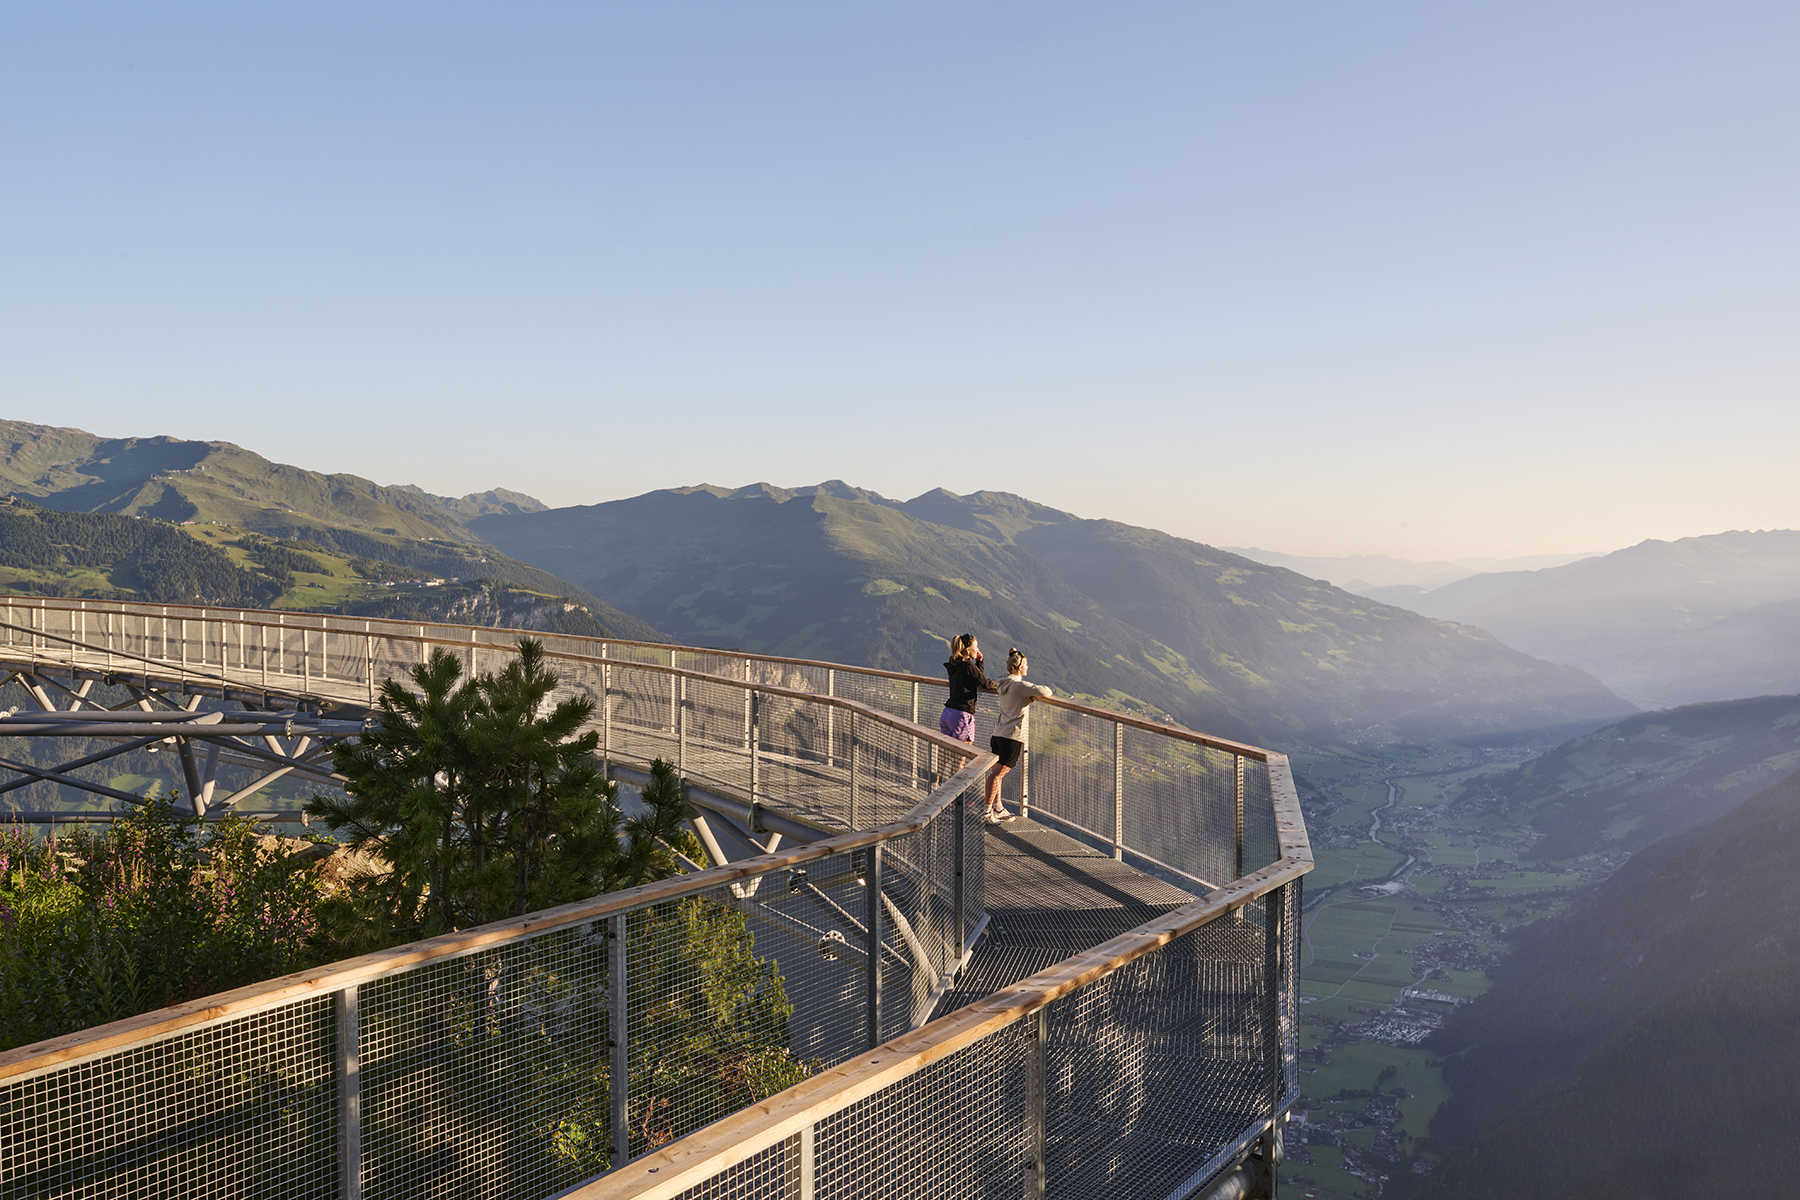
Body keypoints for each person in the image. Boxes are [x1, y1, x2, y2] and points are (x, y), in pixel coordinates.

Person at [984, 648, 1051, 823]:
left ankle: (998, 808)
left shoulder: (1003, 684)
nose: (1028, 667)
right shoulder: (1020, 686)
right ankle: (985, 813)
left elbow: (1015, 699)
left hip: (998, 734)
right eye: (1026, 665)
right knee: (996, 775)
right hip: (1012, 737)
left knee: (996, 773)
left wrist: (1025, 697)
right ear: (1019, 667)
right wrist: (1030, 693)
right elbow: (1046, 692)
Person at [938, 634, 996, 772]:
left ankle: (937, 785)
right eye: (976, 647)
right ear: (968, 650)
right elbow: (984, 682)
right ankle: (955, 793)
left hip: (948, 714)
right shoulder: (967, 666)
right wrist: (999, 686)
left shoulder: (954, 664)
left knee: (944, 757)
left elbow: (975, 677)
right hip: (962, 717)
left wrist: (979, 662)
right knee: (959, 760)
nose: (978, 649)